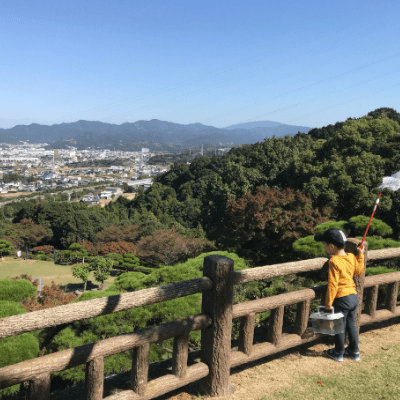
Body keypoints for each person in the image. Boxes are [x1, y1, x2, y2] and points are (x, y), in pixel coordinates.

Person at [314, 228, 365, 362]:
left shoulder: (334, 261)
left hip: (342, 298)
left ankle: (338, 352)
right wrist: (361, 255)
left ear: (331, 247)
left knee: (339, 326)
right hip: (353, 297)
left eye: (324, 244)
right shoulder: (350, 257)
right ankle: (354, 351)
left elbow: (333, 285)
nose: (324, 247)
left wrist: (328, 304)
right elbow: (359, 271)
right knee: (351, 325)